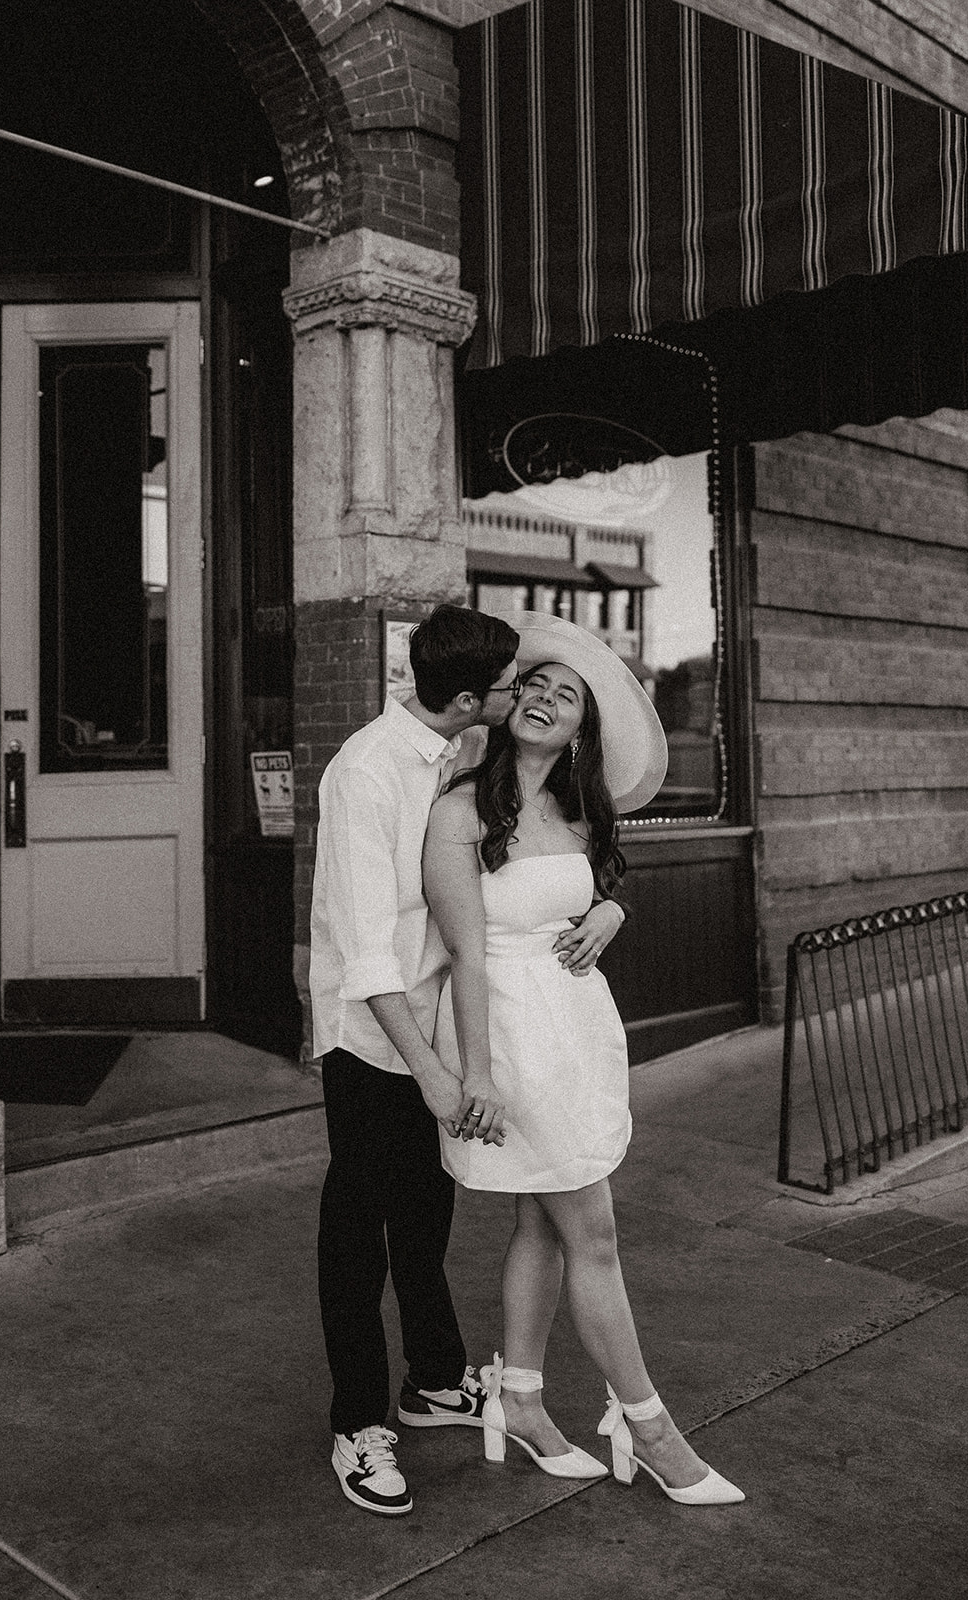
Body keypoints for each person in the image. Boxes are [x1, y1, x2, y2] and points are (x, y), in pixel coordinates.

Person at [310, 604, 628, 1517]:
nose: (521, 695)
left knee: (424, 1212)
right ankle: (357, 1424)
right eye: (509, 686)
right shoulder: (369, 772)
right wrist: (437, 1074)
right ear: (465, 698)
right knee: (357, 1228)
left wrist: (611, 904)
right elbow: (368, 953)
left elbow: (560, 845)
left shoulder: (456, 759)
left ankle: (434, 1379)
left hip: (443, 1025)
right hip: (378, 1039)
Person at [422, 611, 745, 1505]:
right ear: (510, 703)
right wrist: (475, 1072)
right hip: (508, 1031)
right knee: (591, 1233)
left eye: (566, 696)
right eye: (535, 685)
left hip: (575, 1029)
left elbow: (595, 885)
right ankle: (647, 1425)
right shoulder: (458, 810)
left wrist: (613, 909)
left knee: (541, 1223)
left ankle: (519, 1400)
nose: (545, 699)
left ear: (579, 730)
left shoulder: (577, 810)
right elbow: (467, 952)